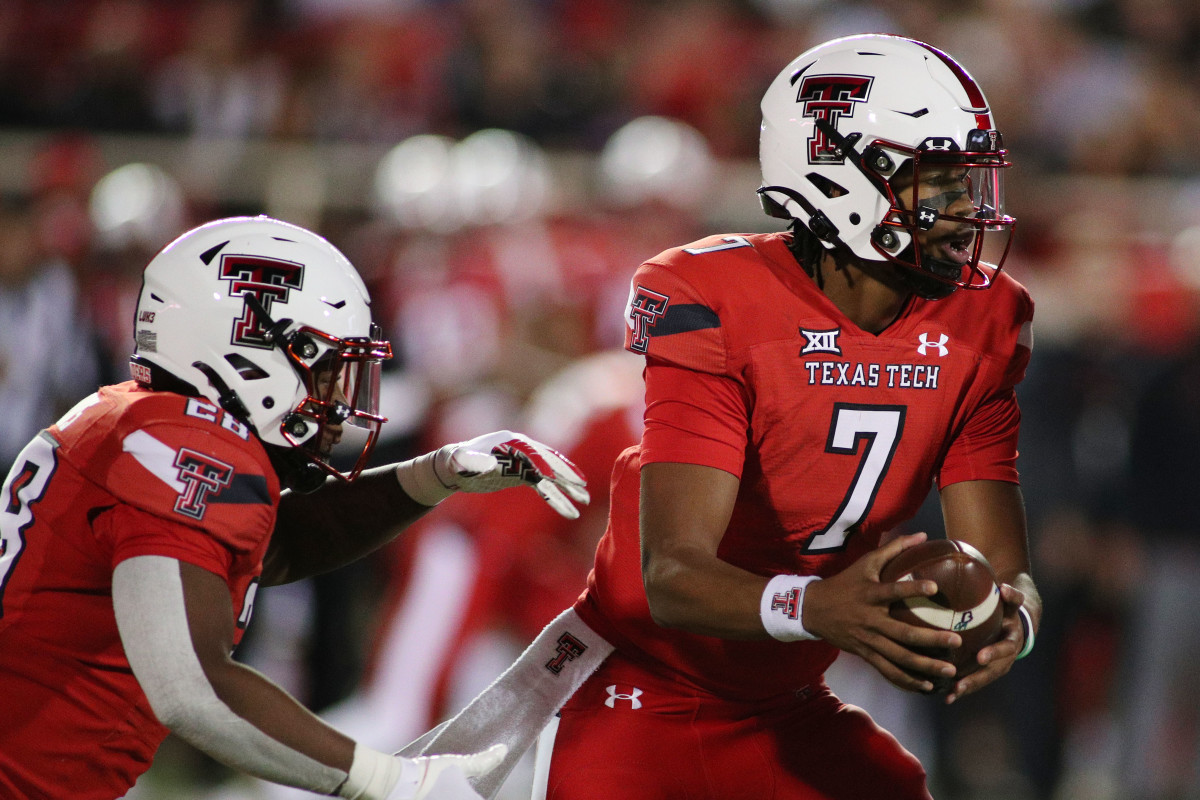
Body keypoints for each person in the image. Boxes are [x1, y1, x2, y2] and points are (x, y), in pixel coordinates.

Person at [525, 33, 1042, 799]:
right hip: (641, 686)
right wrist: (823, 606)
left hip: (786, 699)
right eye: (939, 182)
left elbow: (1001, 566)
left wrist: (1009, 623)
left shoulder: (984, 320)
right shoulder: (712, 296)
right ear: (840, 178)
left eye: (967, 180)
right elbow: (672, 574)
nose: (967, 209)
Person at [0, 215, 589, 800]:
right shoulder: (184, 443)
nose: (337, 401)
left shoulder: (148, 422)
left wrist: (434, 475)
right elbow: (191, 687)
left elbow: (268, 549)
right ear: (249, 355)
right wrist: (395, 781)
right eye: (327, 368)